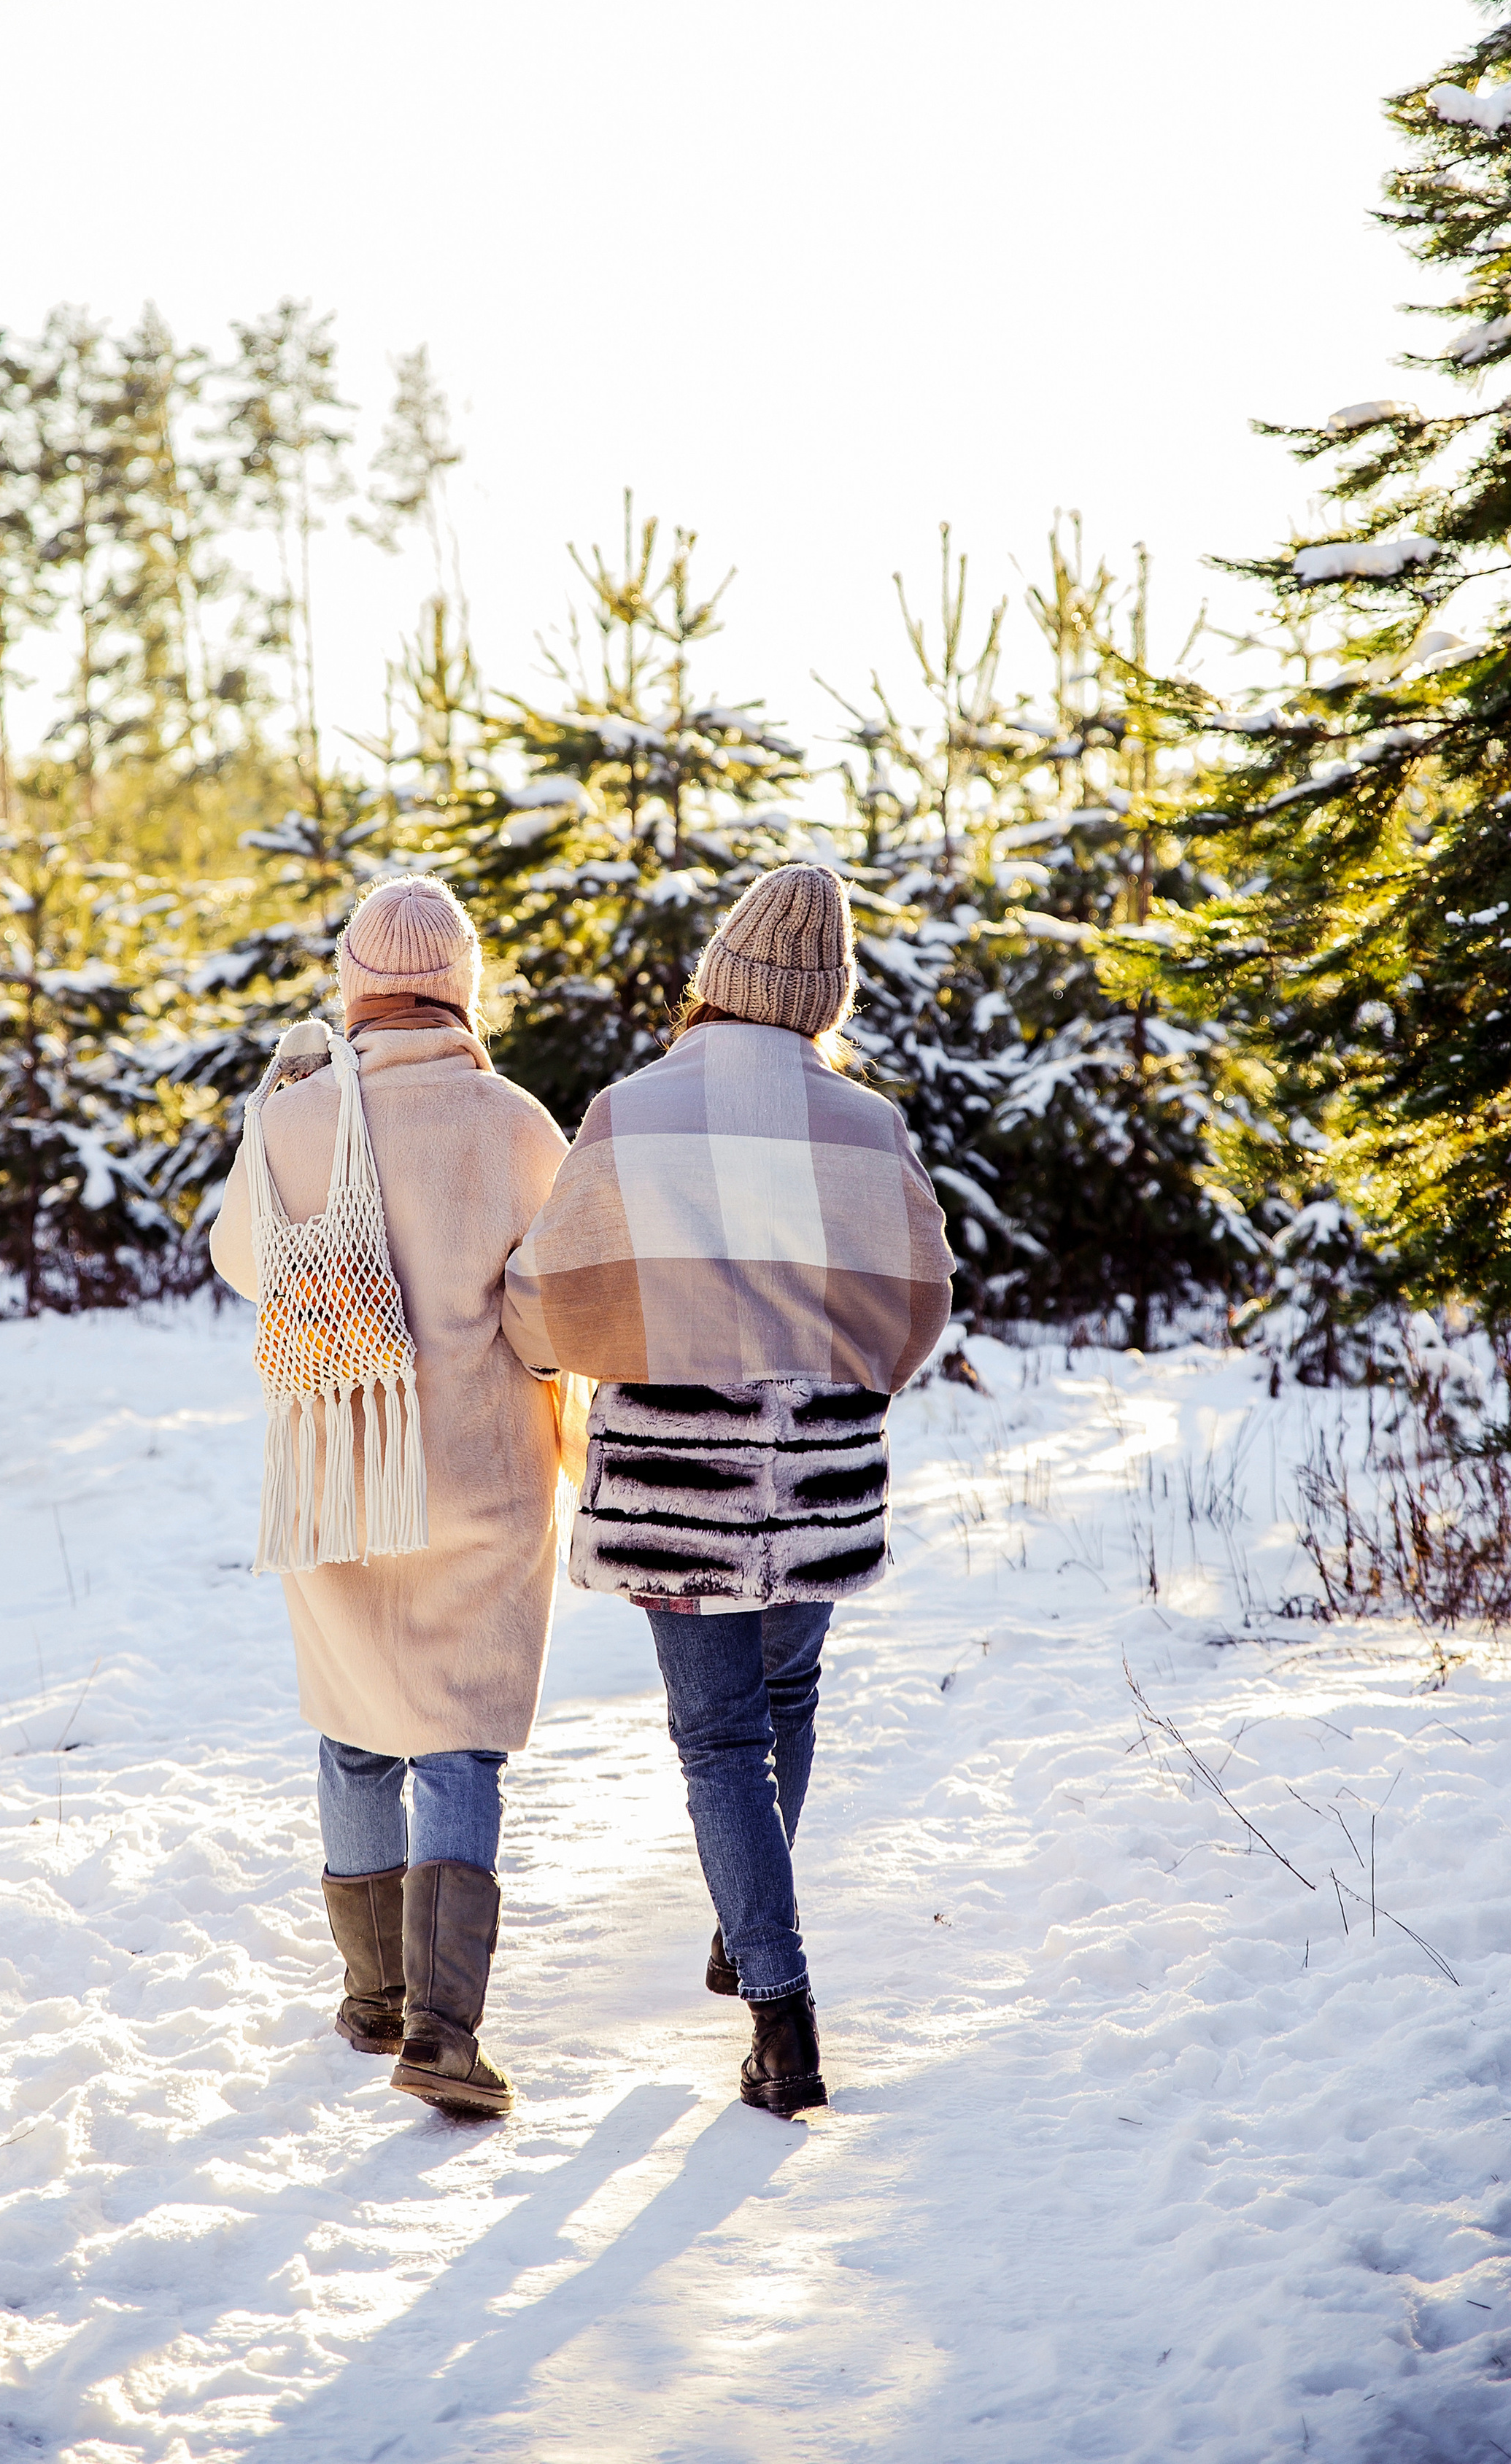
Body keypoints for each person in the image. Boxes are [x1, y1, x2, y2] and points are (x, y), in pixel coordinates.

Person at [501, 862, 954, 2117]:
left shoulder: (632, 1112)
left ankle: (781, 2012)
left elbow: (549, 1296)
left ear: (717, 982)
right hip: (816, 1471)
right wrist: (840, 1372)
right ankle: (754, 1926)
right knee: (787, 1697)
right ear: (822, 999)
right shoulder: (867, 1125)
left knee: (718, 1742)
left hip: (676, 1481)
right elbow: (920, 1307)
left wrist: (584, 1349)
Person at [210, 875, 576, 2117]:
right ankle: (444, 2030)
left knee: (358, 1725)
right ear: (461, 989)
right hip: (483, 1474)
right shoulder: (516, 1120)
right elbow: (555, 1297)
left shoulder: (300, 1113)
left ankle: (370, 2000)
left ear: (358, 986)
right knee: (459, 1735)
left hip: (339, 1469)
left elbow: (240, 1262)